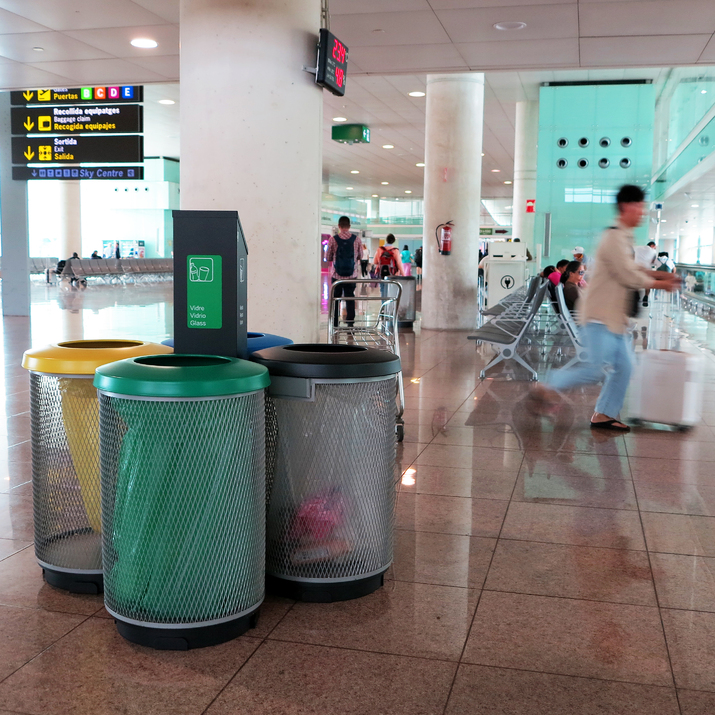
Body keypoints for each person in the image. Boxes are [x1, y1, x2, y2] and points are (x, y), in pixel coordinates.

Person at [529, 184, 680, 432]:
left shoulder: (623, 238)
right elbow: (627, 275)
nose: (642, 213)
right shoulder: (613, 237)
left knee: (626, 367)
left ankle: (604, 414)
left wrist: (661, 277)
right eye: (639, 207)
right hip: (599, 317)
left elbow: (634, 270)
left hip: (614, 319)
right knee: (593, 369)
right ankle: (547, 387)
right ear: (625, 207)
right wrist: (661, 283)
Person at [326, 216, 364, 328]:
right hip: (352, 274)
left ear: (339, 226)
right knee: (350, 297)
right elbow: (361, 256)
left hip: (336, 275)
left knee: (336, 298)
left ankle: (335, 322)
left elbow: (328, 257)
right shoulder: (356, 239)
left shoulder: (333, 239)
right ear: (349, 226)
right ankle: (350, 322)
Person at [634, 240, 657, 306]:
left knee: (636, 283)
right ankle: (646, 296)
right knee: (648, 284)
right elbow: (653, 261)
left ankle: (636, 295)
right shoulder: (653, 251)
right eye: (654, 247)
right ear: (652, 245)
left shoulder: (638, 248)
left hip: (637, 268)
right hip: (646, 269)